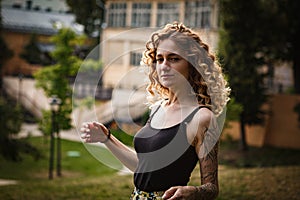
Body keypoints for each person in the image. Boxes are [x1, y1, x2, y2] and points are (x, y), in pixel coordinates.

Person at [80, 22, 230, 200]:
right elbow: (144, 168)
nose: (164, 66)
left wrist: (192, 191)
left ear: (193, 65)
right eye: (160, 59)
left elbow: (211, 188)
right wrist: (107, 138)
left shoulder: (202, 118)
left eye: (174, 59)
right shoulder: (157, 108)